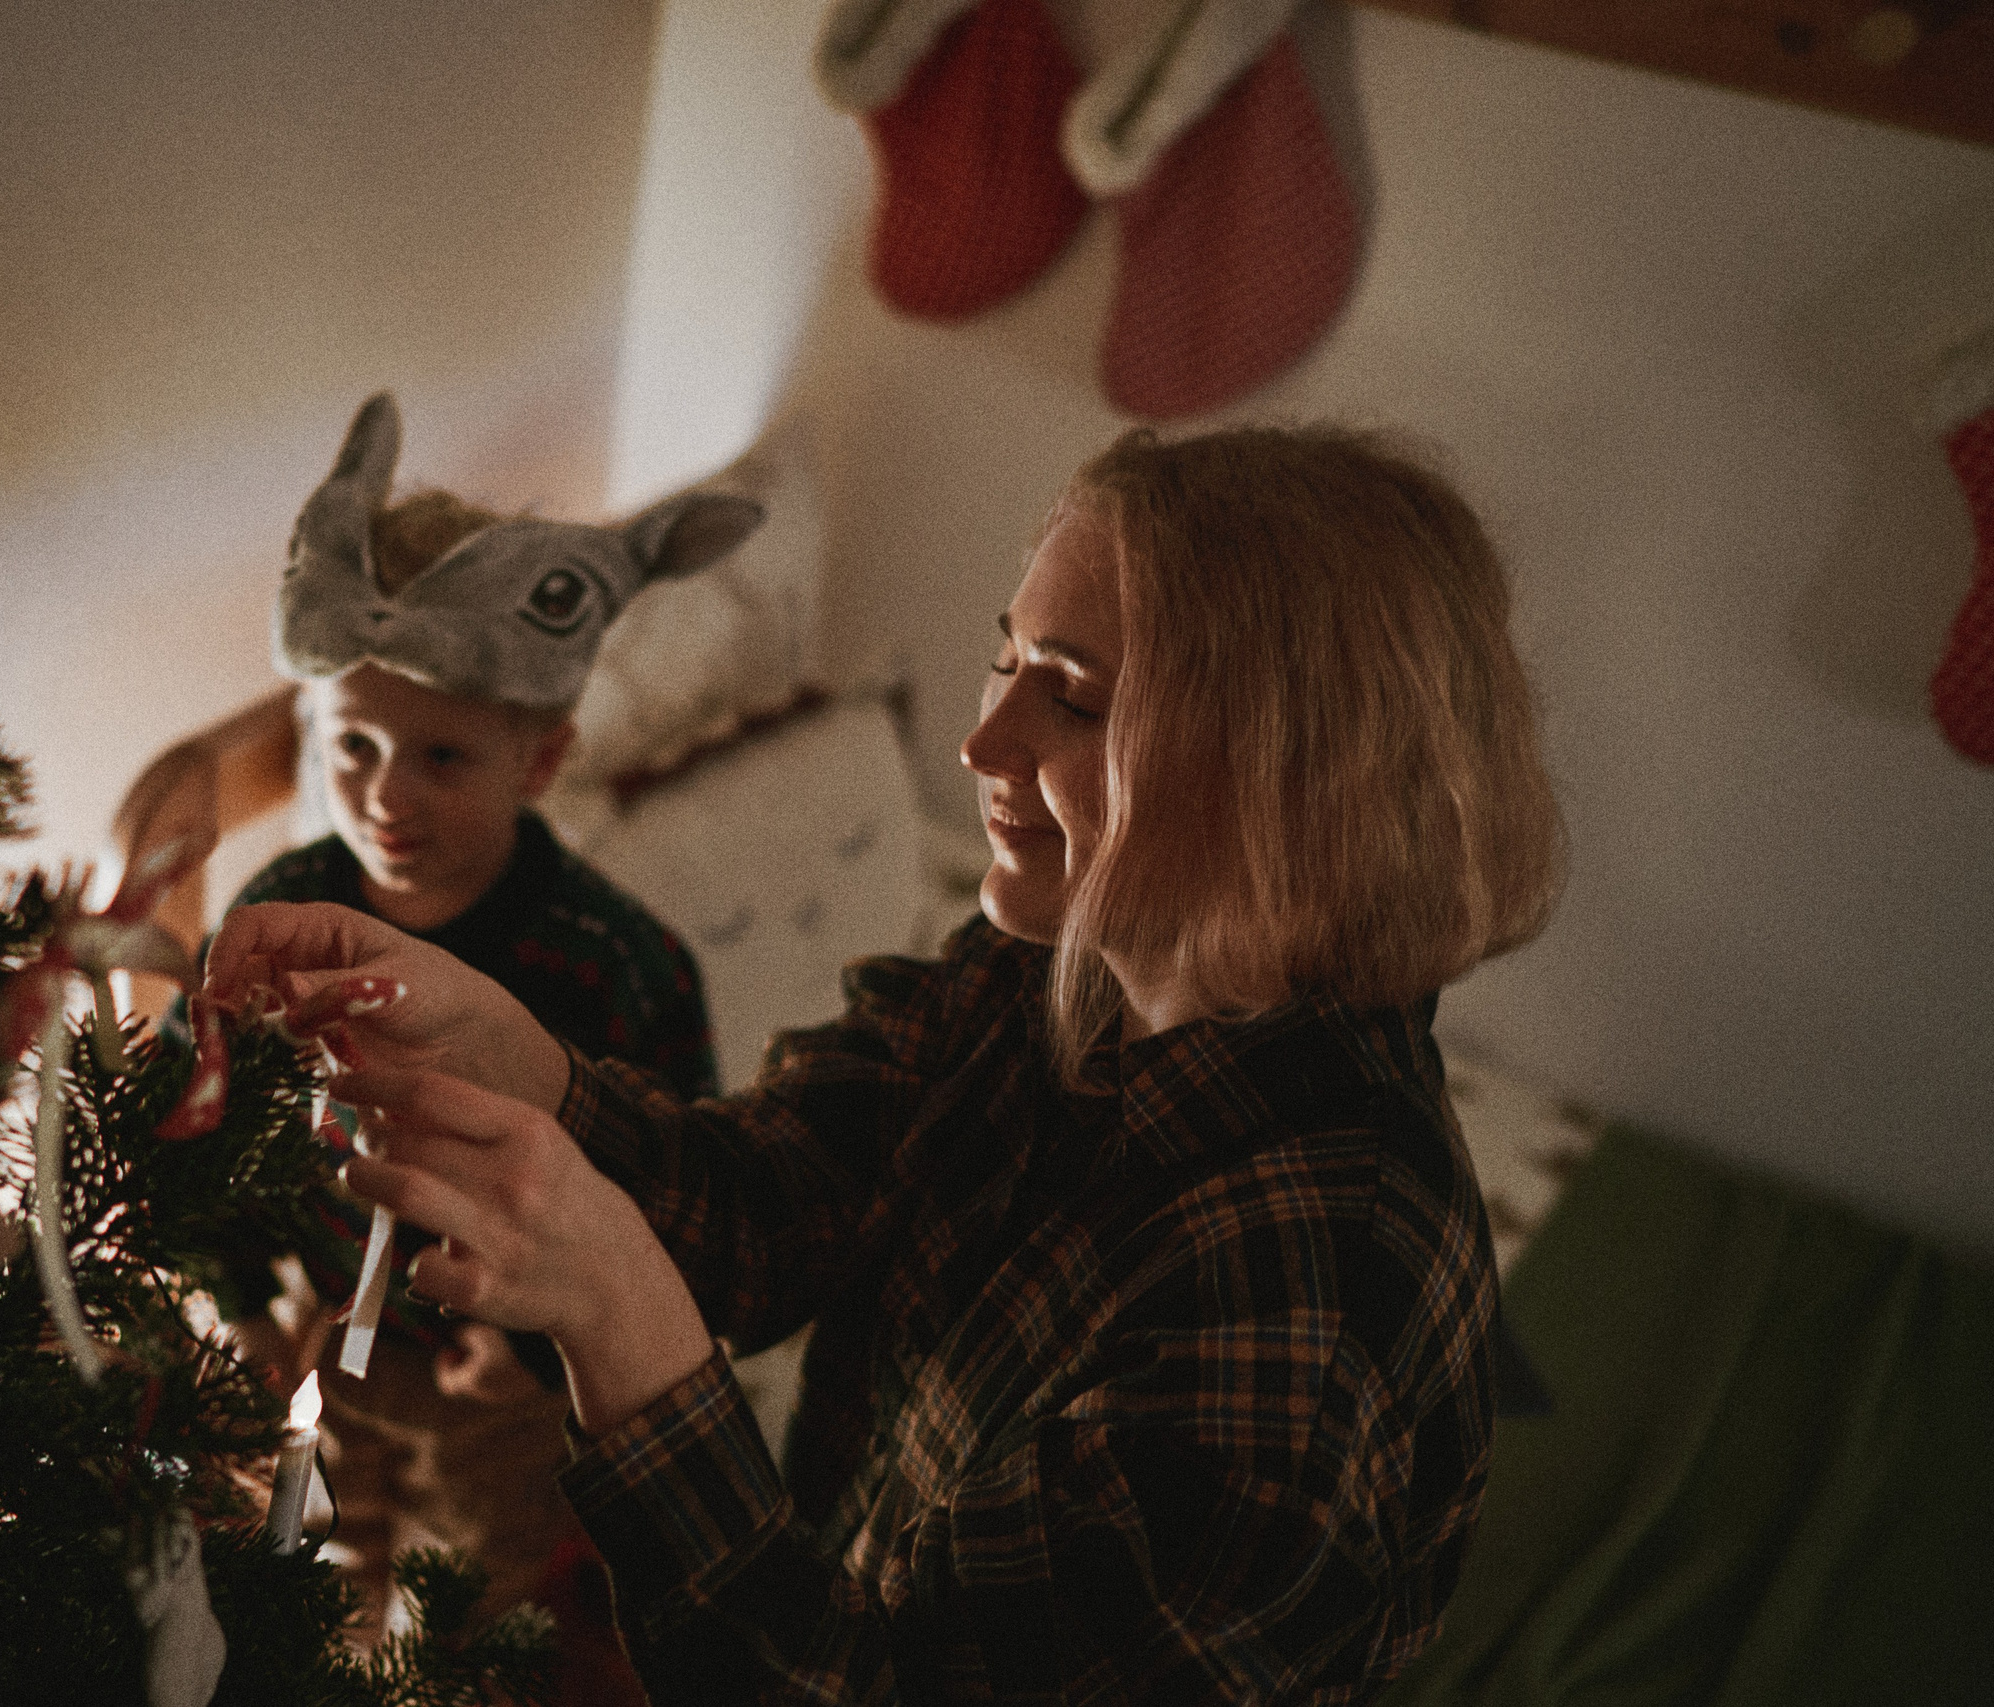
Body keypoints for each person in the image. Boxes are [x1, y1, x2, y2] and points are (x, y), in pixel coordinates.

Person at [207, 422, 1564, 1703]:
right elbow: (772, 1198)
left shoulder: (1305, 1320)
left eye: (1075, 699)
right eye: (1007, 659)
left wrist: (622, 1310)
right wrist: (520, 1064)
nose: (984, 744)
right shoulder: (1047, 968)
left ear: (1285, 779)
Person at [124, 393, 759, 1676]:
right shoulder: (279, 909)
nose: (382, 794)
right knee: (311, 1580)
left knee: (495, 1605)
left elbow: (675, 1198)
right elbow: (217, 1115)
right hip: (320, 1337)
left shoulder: (616, 963)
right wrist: (243, 1304)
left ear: (540, 758)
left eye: (443, 759)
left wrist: (543, 1346)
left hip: (502, 1390)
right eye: (351, 742)